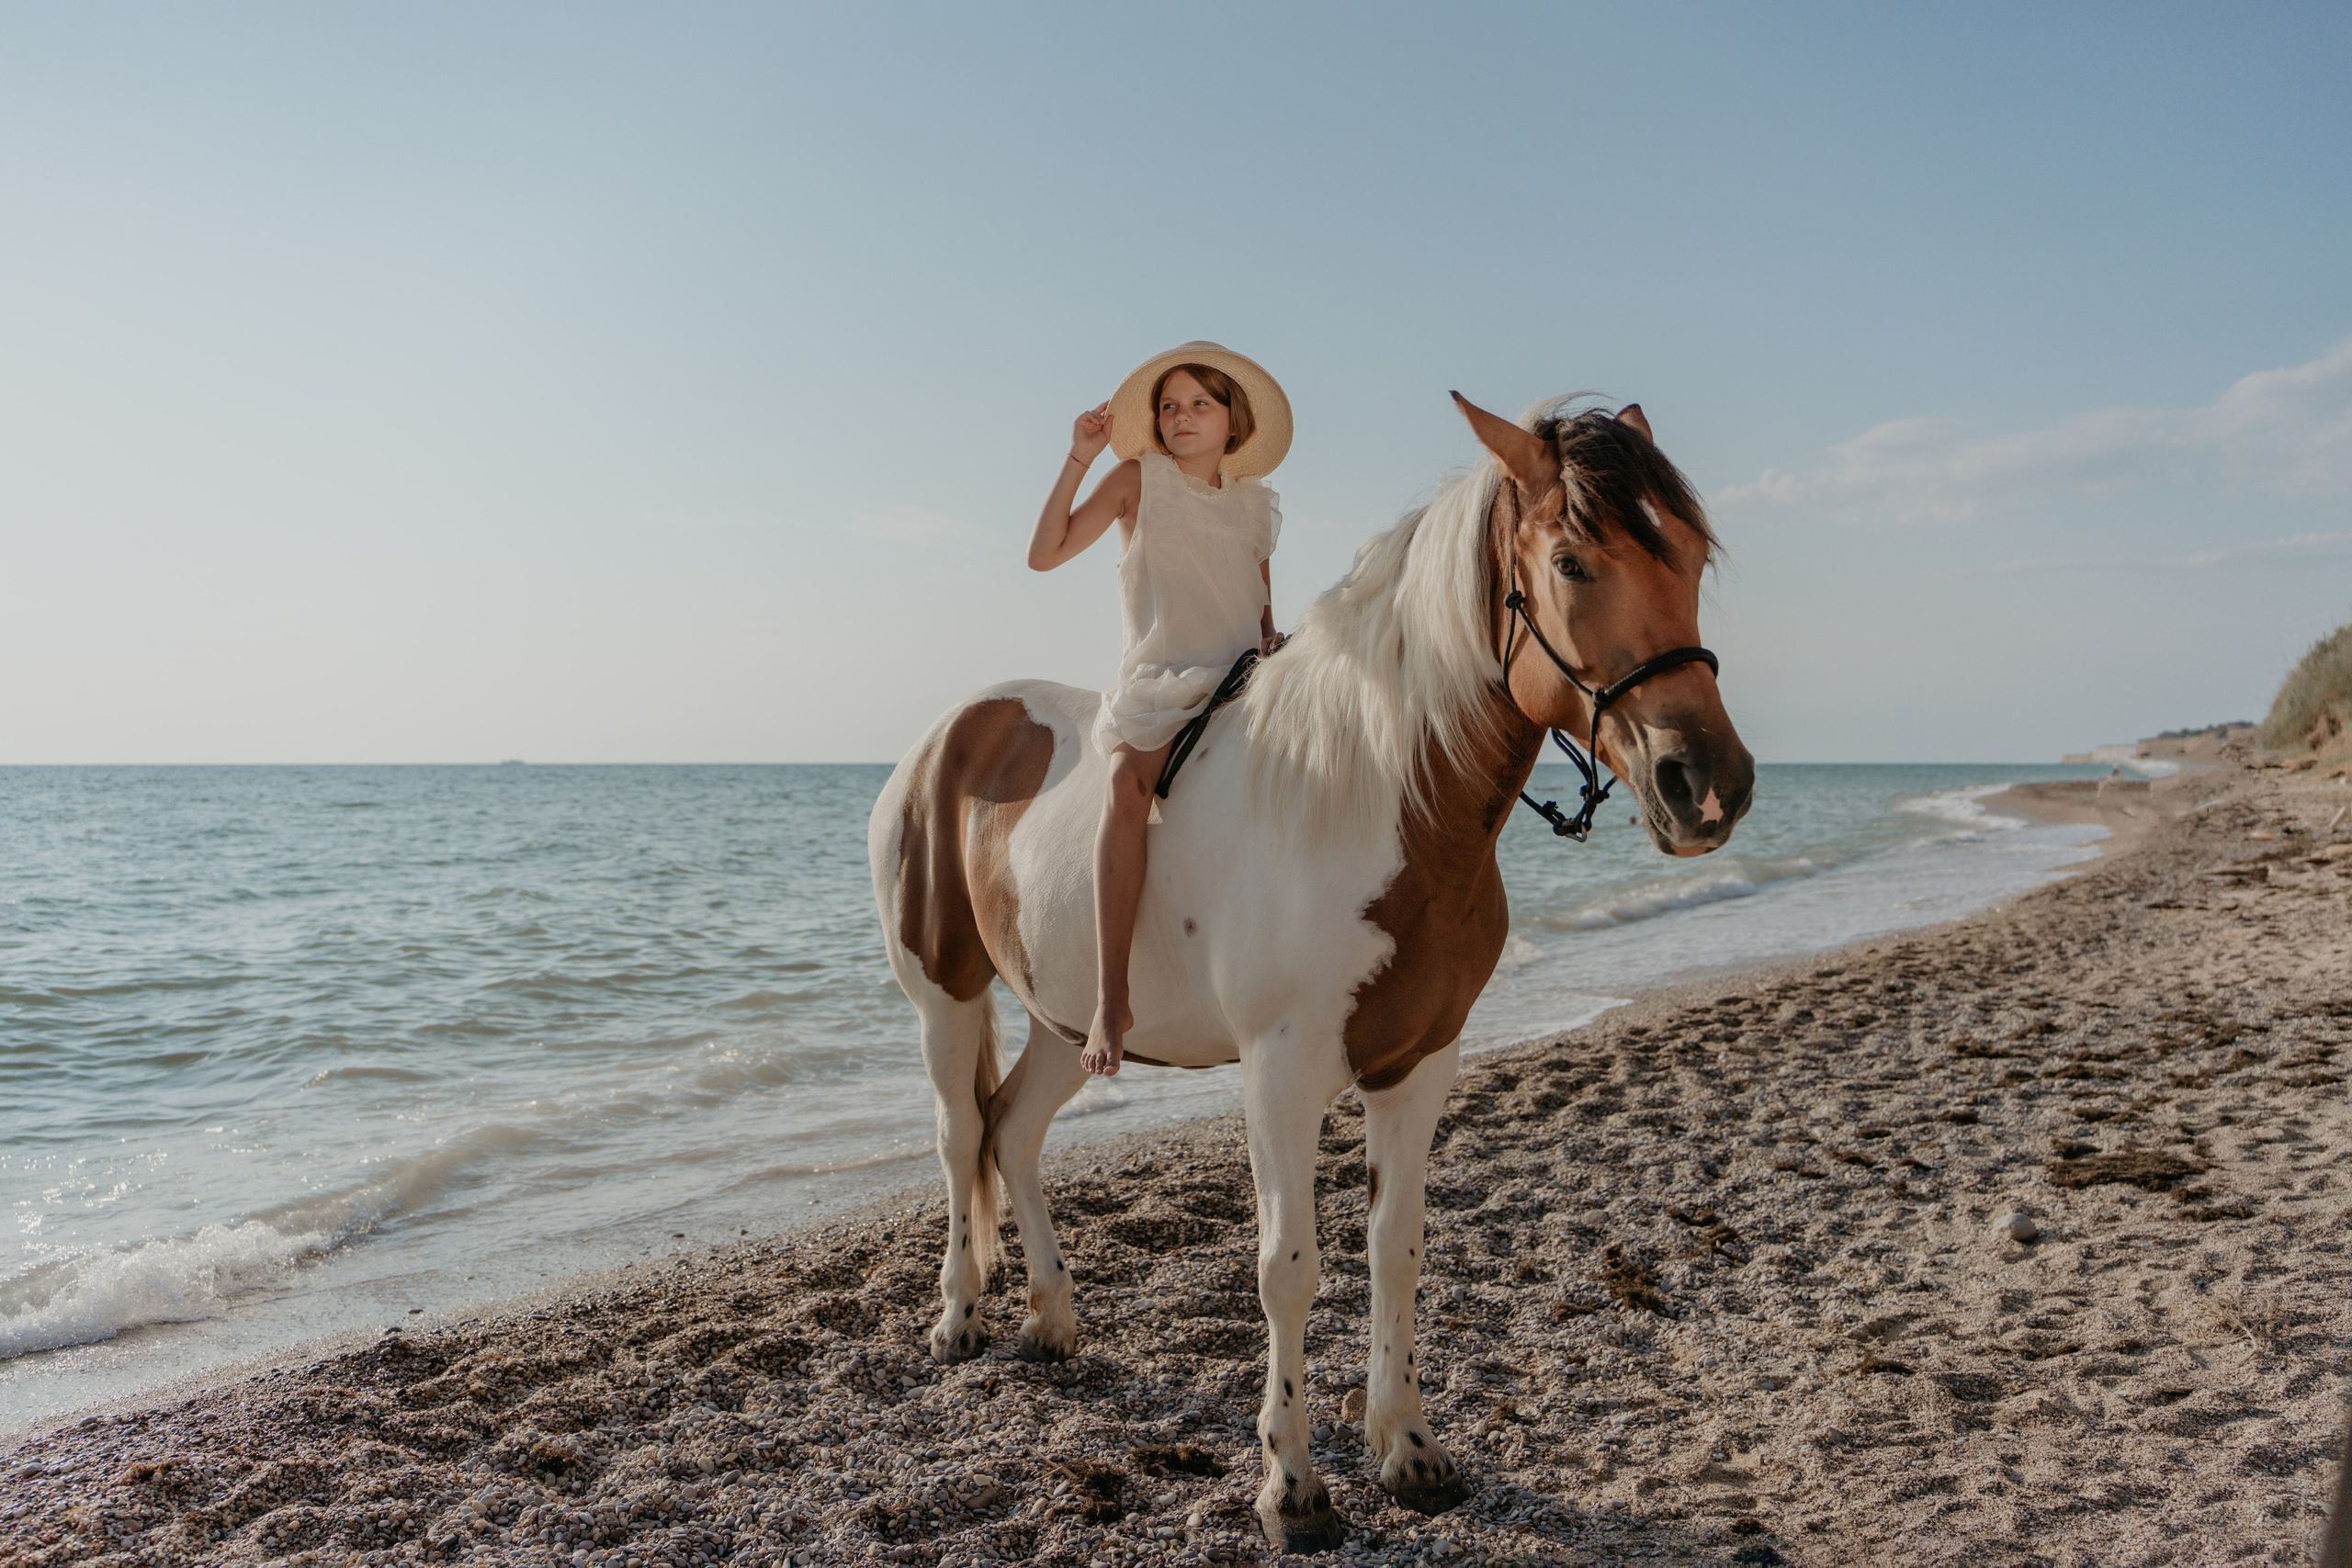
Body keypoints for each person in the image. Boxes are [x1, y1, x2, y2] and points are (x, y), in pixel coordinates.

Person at [1025, 342, 1293, 1077]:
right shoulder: (1137, 480)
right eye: (1169, 405)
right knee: (1123, 786)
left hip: (1243, 682)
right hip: (1164, 681)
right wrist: (1079, 457)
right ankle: (1113, 998)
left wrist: (1275, 642)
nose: (1181, 416)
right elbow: (1043, 554)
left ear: (1233, 420)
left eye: (1199, 403)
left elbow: (1261, 609)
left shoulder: (1254, 504)